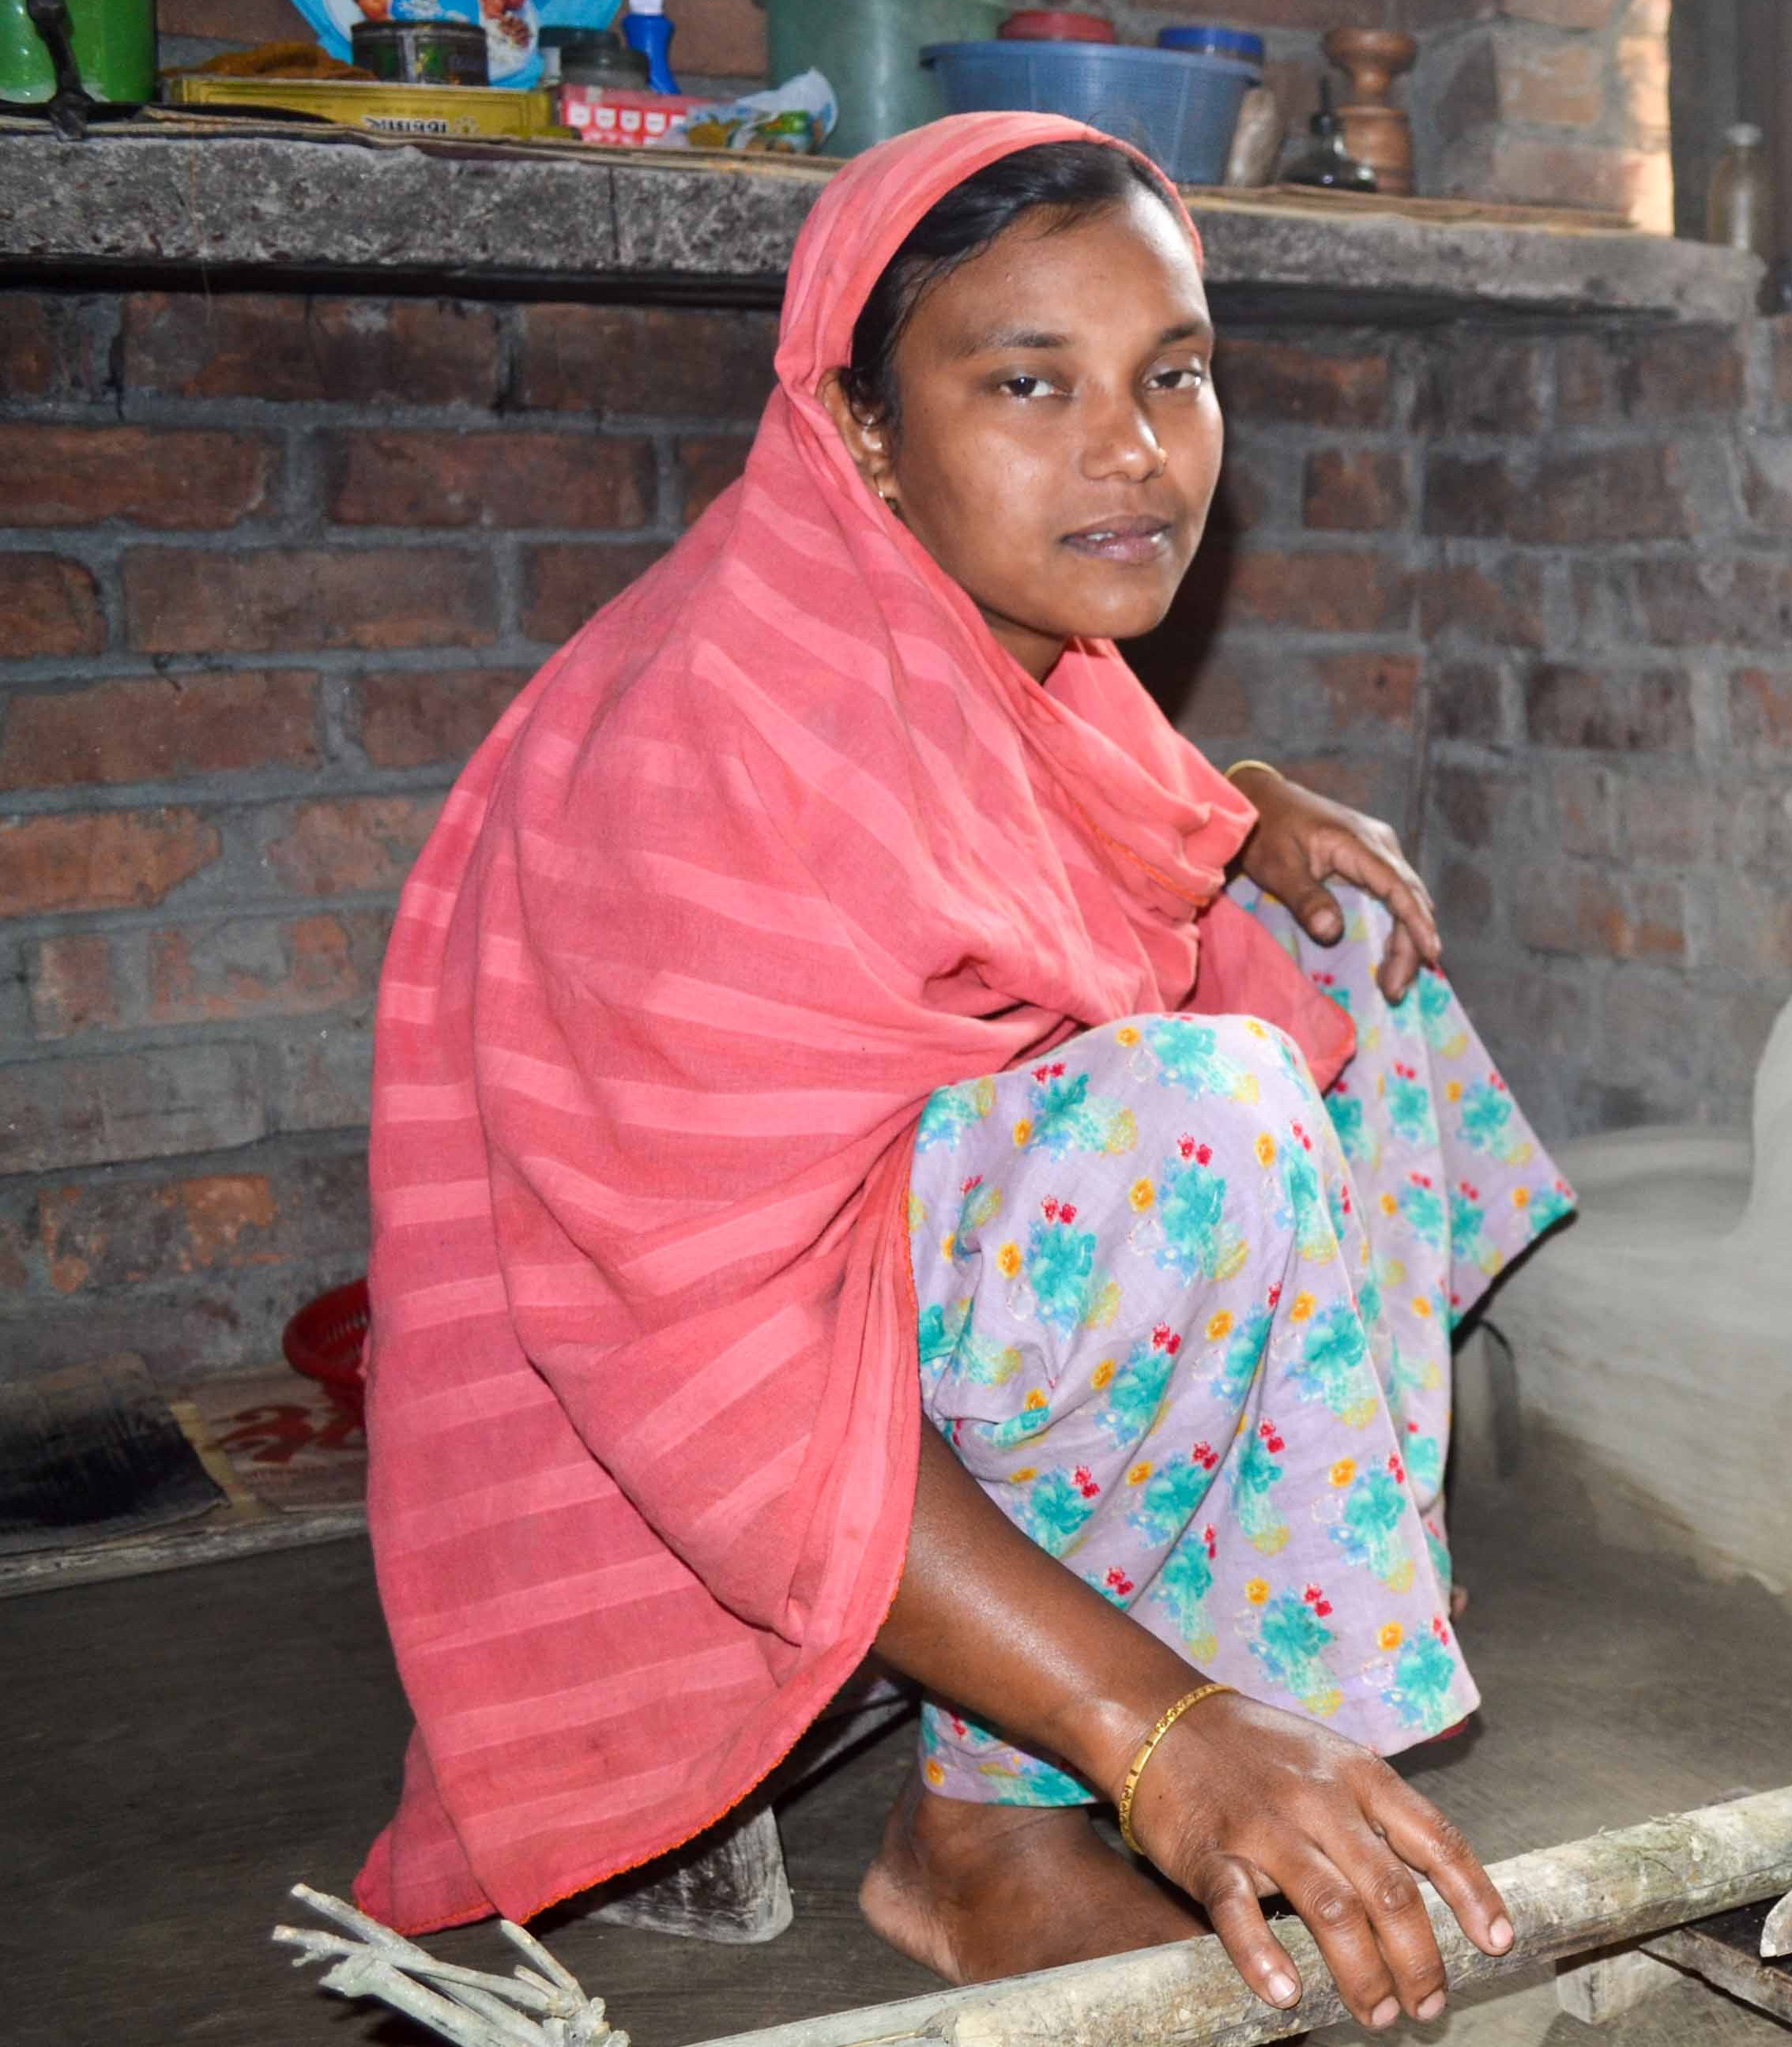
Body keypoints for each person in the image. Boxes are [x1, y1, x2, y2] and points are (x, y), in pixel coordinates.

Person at [352, 115, 1572, 2030]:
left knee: (1349, 960)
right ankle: (986, 1831)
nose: (1135, 448)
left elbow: (1060, 859)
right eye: (1030, 382)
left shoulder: (979, 635)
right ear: (856, 430)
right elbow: (696, 1359)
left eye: (1174, 374)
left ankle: (1293, 1655)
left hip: (866, 1315)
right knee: (1211, 1119)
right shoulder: (708, 753)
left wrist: (1238, 810)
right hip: (678, 1467)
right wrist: (1144, 1725)